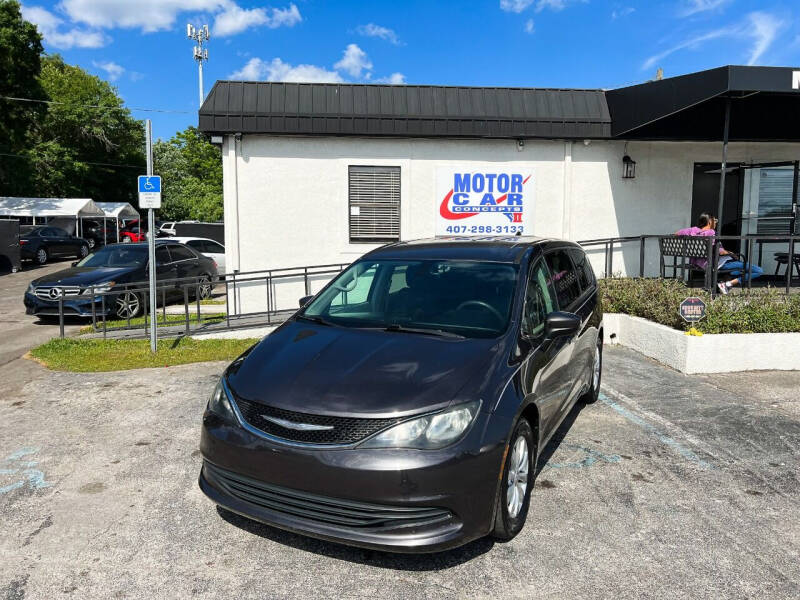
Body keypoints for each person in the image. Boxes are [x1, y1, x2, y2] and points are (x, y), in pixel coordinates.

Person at [675, 214, 763, 295]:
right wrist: (731, 254)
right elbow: (720, 252)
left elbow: (677, 233)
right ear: (710, 222)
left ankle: (722, 285)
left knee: (735, 270)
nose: (716, 223)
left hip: (700, 263)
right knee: (758, 270)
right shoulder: (712, 234)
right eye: (715, 220)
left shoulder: (692, 230)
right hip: (716, 263)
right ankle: (728, 284)